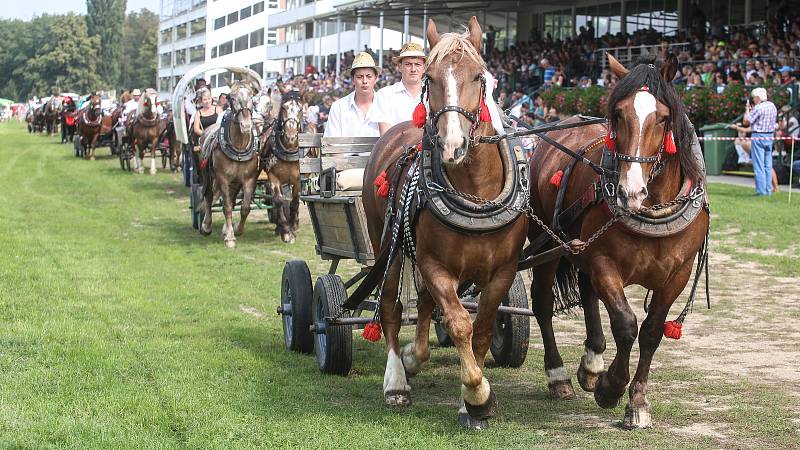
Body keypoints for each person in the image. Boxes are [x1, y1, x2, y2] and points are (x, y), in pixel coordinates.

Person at [373, 42, 426, 135]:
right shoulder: (384, 95)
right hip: (397, 149)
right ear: (400, 67)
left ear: (424, 68)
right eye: (408, 64)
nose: (413, 69)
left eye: (417, 64)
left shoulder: (433, 95)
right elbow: (386, 135)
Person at [324, 52, 380, 138]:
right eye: (359, 77)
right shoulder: (338, 107)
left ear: (375, 78)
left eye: (369, 76)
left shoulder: (385, 105)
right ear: (353, 79)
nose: (365, 81)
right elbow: (331, 145)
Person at [743, 87, 778, 196]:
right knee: (768, 164)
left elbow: (745, 121)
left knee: (759, 165)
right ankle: (768, 190)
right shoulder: (772, 106)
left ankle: (761, 191)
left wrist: (747, 109)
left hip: (758, 136)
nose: (753, 100)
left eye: (754, 98)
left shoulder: (758, 108)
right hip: (769, 136)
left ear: (758, 97)